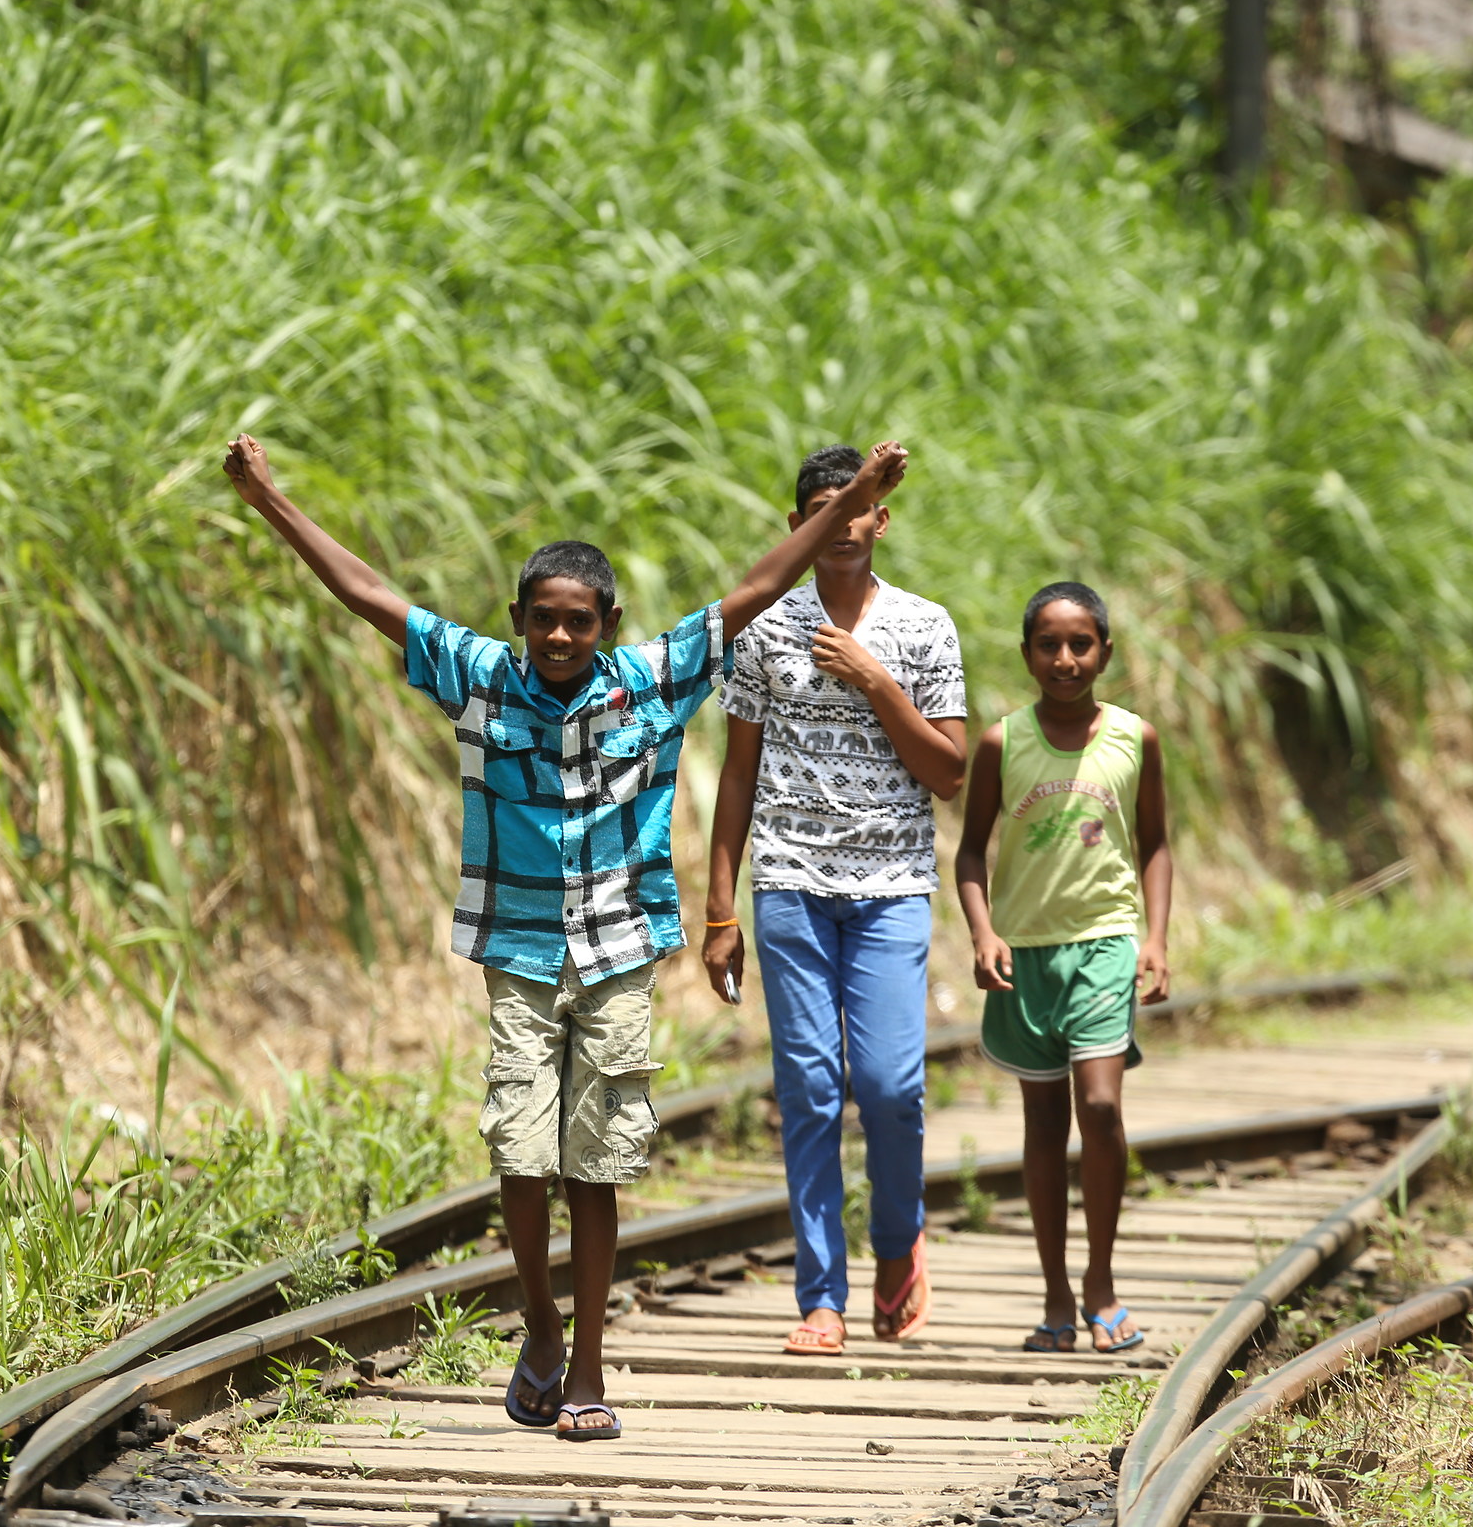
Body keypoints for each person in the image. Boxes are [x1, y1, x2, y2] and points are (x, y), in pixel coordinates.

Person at [220, 432, 910, 1437]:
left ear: (607, 624)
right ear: (517, 621)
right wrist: (267, 499)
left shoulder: (652, 680)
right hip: (519, 953)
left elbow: (756, 586)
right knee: (520, 1151)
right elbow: (366, 592)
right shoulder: (479, 678)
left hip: (622, 956)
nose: (557, 638)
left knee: (598, 1165)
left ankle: (587, 1367)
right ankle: (539, 1322)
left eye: (576, 623)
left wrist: (851, 495)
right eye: (541, 621)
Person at [701, 445, 967, 1355]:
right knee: (810, 1089)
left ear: (881, 519)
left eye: (857, 505)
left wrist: (877, 683)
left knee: (890, 1087)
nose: (844, 520)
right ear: (799, 526)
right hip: (788, 882)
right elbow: (737, 776)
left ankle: (898, 1248)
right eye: (823, 506)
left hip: (893, 883)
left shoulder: (925, 626)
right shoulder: (766, 630)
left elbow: (951, 773)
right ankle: (822, 1297)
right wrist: (720, 909)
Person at [953, 581, 1172, 1355]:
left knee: (1102, 1110)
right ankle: (1054, 1295)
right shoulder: (1000, 742)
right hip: (1025, 955)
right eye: (1049, 644)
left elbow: (1154, 844)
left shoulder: (1134, 738)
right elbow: (972, 850)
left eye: (1081, 644)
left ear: (1105, 652)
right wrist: (982, 933)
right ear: (1027, 656)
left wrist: (1155, 938)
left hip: (1106, 944)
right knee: (1043, 1125)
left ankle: (1102, 1284)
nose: (1066, 658)